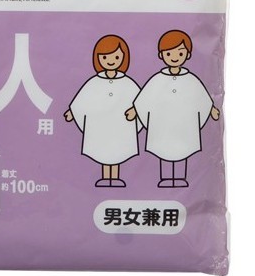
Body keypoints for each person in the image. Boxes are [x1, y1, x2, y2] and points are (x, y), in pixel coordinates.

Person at [125, 30, 220, 188]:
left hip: (184, 124)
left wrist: (211, 109)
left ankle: (180, 177)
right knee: (163, 148)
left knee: (184, 149)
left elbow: (201, 96)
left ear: (187, 54)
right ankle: (166, 177)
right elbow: (146, 96)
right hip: (163, 124)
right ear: (162, 55)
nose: (175, 57)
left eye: (180, 53)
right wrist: (135, 109)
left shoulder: (190, 79)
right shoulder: (158, 79)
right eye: (169, 53)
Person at [64, 35, 141, 187]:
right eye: (105, 57)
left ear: (123, 58)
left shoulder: (128, 83)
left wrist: (136, 111)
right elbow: (83, 99)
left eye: (116, 57)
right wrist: (73, 111)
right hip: (101, 126)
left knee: (117, 149)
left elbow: (140, 101)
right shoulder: (94, 82)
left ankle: (115, 177)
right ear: (98, 58)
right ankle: (106, 177)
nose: (111, 61)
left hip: (120, 125)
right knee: (103, 148)